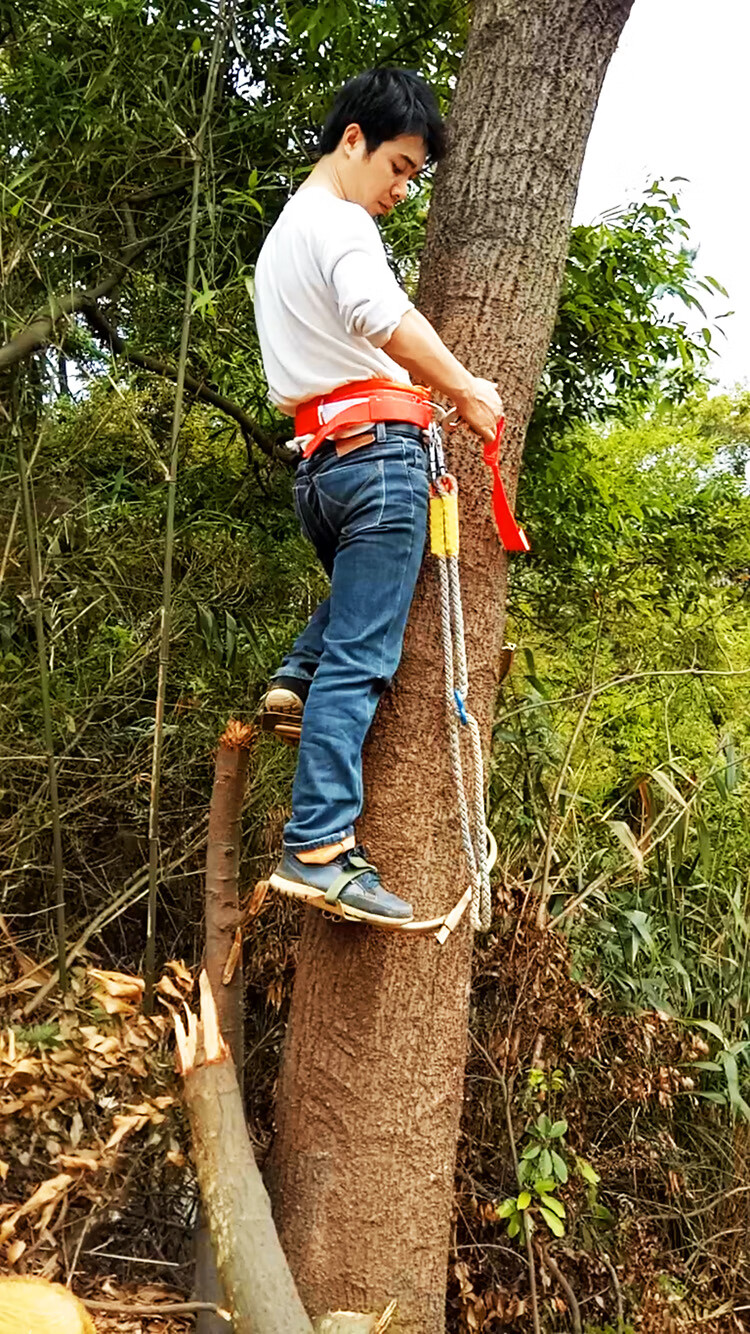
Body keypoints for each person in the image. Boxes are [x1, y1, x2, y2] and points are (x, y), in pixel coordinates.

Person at [253, 67, 503, 927]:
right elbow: (379, 315)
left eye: (413, 175)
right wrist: (466, 388)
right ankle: (319, 848)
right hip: (380, 463)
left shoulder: (285, 236)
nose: (402, 189)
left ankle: (298, 667)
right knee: (364, 660)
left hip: (322, 470)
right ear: (352, 139)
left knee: (347, 631)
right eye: (399, 166)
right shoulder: (344, 225)